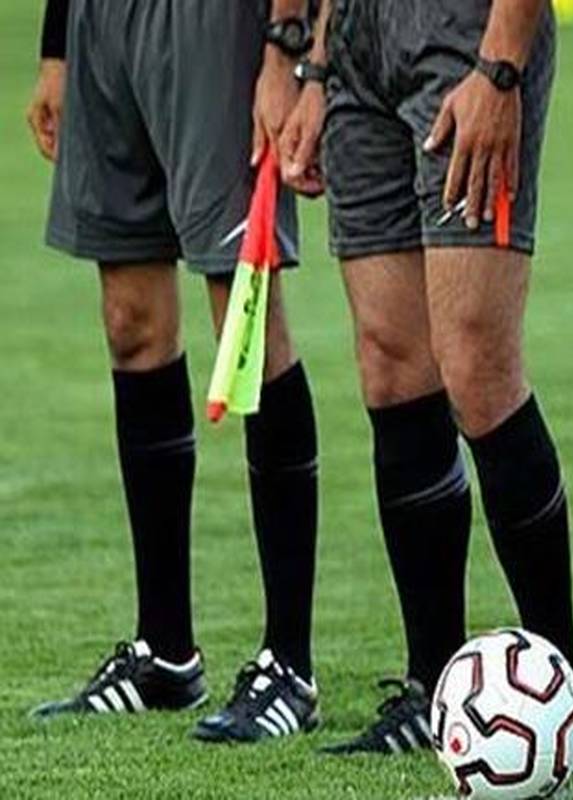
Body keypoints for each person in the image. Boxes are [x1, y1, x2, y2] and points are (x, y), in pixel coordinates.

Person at [276, 0, 573, 758]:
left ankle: (561, 693)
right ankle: (431, 685)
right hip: (355, 45)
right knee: (391, 367)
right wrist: (317, 67)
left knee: (477, 369)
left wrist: (501, 65)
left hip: (463, 37)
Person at [26, 0, 324, 744]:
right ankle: (165, 652)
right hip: (102, 29)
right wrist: (58, 46)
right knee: (131, 323)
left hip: (215, 26)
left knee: (244, 319)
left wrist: (283, 50)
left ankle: (289, 663)